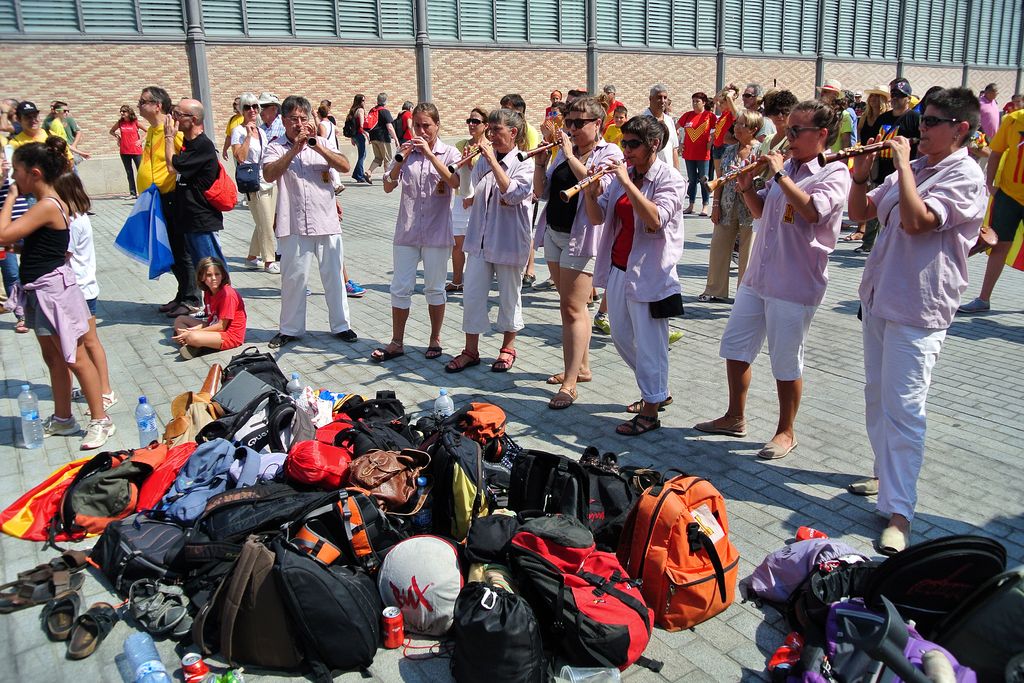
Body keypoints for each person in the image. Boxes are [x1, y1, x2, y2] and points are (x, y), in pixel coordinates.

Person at [846, 88, 987, 554]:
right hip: (881, 297)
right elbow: (860, 213)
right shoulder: (922, 166)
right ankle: (886, 478)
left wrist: (903, 165)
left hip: (919, 307)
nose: (920, 130)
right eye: (921, 122)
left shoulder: (964, 175)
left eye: (931, 123)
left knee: (905, 409)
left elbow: (917, 221)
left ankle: (901, 513)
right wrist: (862, 177)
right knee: (875, 396)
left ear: (960, 129)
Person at [694, 100, 851, 459]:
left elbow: (812, 211)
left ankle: (786, 430)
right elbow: (761, 211)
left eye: (797, 131)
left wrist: (779, 174)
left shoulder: (833, 171)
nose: (787, 136)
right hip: (758, 276)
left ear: (822, 135)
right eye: (787, 128)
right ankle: (735, 416)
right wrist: (747, 186)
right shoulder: (787, 166)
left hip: (795, 281)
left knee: (785, 359)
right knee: (735, 347)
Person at [0, 138, 115, 450]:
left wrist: (9, 198)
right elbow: (37, 244)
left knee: (75, 356)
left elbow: (2, 233)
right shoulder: (45, 205)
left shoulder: (47, 205)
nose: (14, 180)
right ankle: (64, 418)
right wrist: (23, 247)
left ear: (34, 173)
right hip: (38, 290)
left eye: (17, 174)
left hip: (54, 293)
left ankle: (100, 419)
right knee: (53, 358)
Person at [585, 115, 685, 435]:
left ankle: (651, 408)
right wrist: (590, 190)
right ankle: (656, 389)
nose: (625, 150)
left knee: (651, 343)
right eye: (624, 143)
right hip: (618, 266)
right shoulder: (622, 175)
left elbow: (655, 219)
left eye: (633, 144)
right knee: (621, 336)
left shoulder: (669, 178)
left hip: (652, 272)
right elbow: (598, 217)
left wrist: (627, 183)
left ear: (653, 145)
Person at [534, 96, 624, 410]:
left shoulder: (609, 152)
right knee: (570, 305)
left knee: (572, 309)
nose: (570, 128)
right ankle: (581, 367)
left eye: (578, 123)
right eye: (568, 122)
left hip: (584, 238)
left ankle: (570, 383)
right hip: (555, 232)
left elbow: (598, 189)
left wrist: (570, 154)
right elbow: (541, 193)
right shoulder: (563, 150)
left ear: (598, 124)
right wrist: (540, 162)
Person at [262, 95, 356, 349]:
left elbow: (345, 166)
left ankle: (341, 325)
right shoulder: (275, 146)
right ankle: (290, 329)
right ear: (283, 120)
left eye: (303, 118)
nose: (299, 124)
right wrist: (295, 149)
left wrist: (316, 146)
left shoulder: (322, 142)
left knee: (334, 277)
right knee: (294, 279)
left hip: (326, 221)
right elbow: (269, 174)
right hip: (292, 224)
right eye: (293, 119)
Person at [445, 108, 534, 374]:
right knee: (472, 296)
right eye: (490, 129)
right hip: (480, 239)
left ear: (513, 132)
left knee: (509, 296)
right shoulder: (484, 158)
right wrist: (468, 167)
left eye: (497, 130)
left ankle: (508, 348)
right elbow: (469, 192)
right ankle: (470, 350)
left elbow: (513, 194)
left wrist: (492, 163)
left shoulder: (525, 161)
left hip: (508, 240)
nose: (491, 135)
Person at [372, 103, 461, 363]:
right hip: (407, 231)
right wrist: (400, 160)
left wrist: (431, 157)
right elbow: (388, 186)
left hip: (436, 231)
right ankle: (397, 341)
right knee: (400, 287)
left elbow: (454, 182)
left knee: (434, 288)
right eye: (417, 126)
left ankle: (435, 338)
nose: (421, 131)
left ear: (437, 126)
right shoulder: (406, 151)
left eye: (426, 126)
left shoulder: (450, 153)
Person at [57, 171, 117, 413]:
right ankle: (95, 385)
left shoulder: (73, 222)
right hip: (83, 287)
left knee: (89, 342)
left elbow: (62, 256)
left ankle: (105, 390)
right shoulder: (78, 217)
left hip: (80, 289)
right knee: (84, 341)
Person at [959, 102, 1024, 313]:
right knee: (998, 245)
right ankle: (983, 298)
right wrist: (990, 183)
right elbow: (995, 152)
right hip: (1009, 195)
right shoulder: (1014, 119)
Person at [134, 87, 195, 316]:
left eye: (143, 101)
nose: (138, 105)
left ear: (157, 105)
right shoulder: (152, 130)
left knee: (181, 250)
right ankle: (181, 294)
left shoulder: (173, 130)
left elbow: (186, 161)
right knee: (169, 249)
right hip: (156, 199)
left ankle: (191, 298)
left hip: (172, 198)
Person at [163, 98, 228, 283]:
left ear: (193, 119)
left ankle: (226, 309)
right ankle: (209, 308)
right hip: (190, 219)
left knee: (213, 271)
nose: (173, 118)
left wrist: (168, 137)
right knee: (202, 271)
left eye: (178, 114)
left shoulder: (202, 145)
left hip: (202, 220)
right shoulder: (188, 143)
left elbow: (171, 167)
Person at [700, 109, 762, 302]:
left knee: (748, 251)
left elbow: (763, 180)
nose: (737, 127)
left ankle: (745, 294)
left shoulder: (761, 150)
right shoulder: (729, 150)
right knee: (718, 246)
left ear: (754, 129)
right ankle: (714, 290)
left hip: (750, 207)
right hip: (727, 205)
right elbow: (720, 180)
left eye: (742, 124)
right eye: (737, 123)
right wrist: (715, 206)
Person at [856, 78, 921, 254]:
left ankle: (890, 247)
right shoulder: (883, 118)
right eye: (894, 95)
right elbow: (870, 139)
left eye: (900, 96)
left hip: (902, 171)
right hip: (880, 169)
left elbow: (921, 144)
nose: (896, 99)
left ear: (908, 98)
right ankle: (868, 243)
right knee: (873, 206)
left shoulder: (915, 118)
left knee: (894, 211)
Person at [233, 92, 278, 273]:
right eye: (247, 107)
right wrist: (248, 137)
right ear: (241, 110)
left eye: (255, 107)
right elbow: (240, 157)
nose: (252, 110)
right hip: (253, 182)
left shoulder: (262, 131)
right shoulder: (238, 131)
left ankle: (252, 257)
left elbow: (266, 154)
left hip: (268, 179)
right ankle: (269, 260)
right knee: (265, 222)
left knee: (267, 220)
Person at [172, 256, 247, 359]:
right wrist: (191, 330)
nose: (214, 278)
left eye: (217, 274)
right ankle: (191, 344)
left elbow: (221, 326)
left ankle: (191, 342)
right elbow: (210, 320)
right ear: (202, 277)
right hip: (214, 325)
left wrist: (192, 332)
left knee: (192, 336)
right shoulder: (208, 292)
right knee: (180, 320)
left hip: (230, 335)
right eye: (209, 275)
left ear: (223, 275)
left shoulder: (228, 294)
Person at [843, 85, 891, 243]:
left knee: (876, 194)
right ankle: (861, 230)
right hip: (865, 157)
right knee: (861, 190)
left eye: (878, 96)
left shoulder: (887, 117)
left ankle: (873, 236)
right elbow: (860, 138)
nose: (873, 99)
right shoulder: (865, 116)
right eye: (872, 96)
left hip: (881, 160)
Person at [448, 107, 488, 293]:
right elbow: (453, 172)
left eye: (476, 122)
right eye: (469, 121)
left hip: (480, 202)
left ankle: (475, 283)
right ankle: (457, 280)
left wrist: (473, 197)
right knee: (457, 244)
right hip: (460, 199)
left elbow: (487, 176)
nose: (471, 125)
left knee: (476, 246)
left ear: (486, 125)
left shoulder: (489, 147)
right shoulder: (460, 145)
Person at [677, 92, 716, 215]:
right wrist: (680, 142)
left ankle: (705, 206)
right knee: (692, 180)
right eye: (693, 101)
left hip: (703, 154)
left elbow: (717, 130)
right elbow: (675, 127)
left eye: (697, 101)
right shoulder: (687, 116)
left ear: (703, 102)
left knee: (704, 179)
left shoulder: (709, 116)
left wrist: (711, 142)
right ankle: (691, 205)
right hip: (689, 154)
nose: (694, 104)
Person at [9, 102, 74, 166]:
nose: (33, 120)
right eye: (28, 117)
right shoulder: (15, 143)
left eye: (35, 116)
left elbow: (69, 159)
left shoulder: (51, 135)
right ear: (19, 120)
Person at [109, 104, 146, 198]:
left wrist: (141, 140)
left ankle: (143, 192)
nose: (122, 113)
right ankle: (132, 193)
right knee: (129, 172)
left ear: (129, 112)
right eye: (121, 111)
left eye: (124, 111)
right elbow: (111, 131)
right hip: (124, 150)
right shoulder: (120, 123)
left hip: (136, 151)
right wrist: (117, 137)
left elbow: (148, 130)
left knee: (140, 171)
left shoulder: (135, 122)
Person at [641, 85, 680, 169]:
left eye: (665, 98)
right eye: (659, 97)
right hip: (649, 173)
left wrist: (677, 174)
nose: (662, 101)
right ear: (650, 99)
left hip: (668, 173)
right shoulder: (642, 121)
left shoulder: (669, 121)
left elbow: (674, 150)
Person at [366, 93, 399, 181]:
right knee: (387, 159)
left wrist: (369, 138)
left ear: (377, 100)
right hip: (383, 138)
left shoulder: (372, 110)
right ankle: (387, 178)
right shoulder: (385, 111)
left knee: (378, 158)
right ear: (385, 101)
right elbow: (390, 127)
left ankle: (369, 172)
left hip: (373, 137)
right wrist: (395, 139)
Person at [711, 86, 740, 180]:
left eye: (723, 102)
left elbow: (729, 101)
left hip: (725, 146)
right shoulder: (724, 113)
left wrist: (730, 95)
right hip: (717, 146)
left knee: (725, 176)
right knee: (719, 176)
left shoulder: (732, 113)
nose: (720, 104)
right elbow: (715, 99)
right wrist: (724, 89)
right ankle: (718, 194)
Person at [819, 79, 854, 151]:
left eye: (826, 91)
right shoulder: (817, 111)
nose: (822, 94)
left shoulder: (844, 115)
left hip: (833, 159)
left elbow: (846, 143)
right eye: (823, 91)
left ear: (836, 95)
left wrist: (843, 161)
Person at [345, 94, 370, 184]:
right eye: (363, 100)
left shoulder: (353, 110)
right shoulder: (360, 110)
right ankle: (359, 175)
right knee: (362, 155)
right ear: (359, 101)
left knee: (362, 155)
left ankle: (357, 173)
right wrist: (367, 135)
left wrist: (352, 138)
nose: (364, 102)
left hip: (355, 135)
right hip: (359, 135)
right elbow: (362, 125)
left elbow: (353, 125)